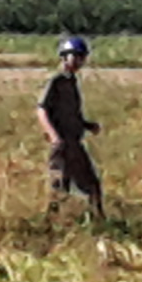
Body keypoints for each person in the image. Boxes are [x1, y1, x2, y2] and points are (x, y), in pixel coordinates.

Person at [38, 33, 103, 228]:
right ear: (64, 57)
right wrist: (53, 136)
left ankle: (99, 221)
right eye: (75, 56)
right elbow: (42, 110)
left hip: (75, 143)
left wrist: (86, 125)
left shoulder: (72, 82)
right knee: (59, 187)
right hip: (62, 145)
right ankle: (49, 225)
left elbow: (71, 114)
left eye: (82, 57)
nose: (79, 61)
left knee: (92, 184)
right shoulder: (56, 81)